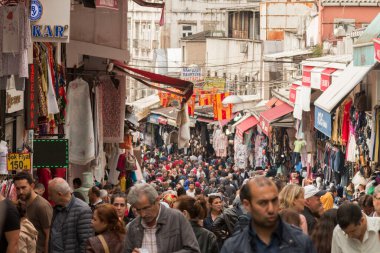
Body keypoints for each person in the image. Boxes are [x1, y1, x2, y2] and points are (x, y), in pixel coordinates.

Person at [221, 176, 316, 253]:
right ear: (247, 205)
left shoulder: (301, 242)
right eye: (263, 203)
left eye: (274, 201)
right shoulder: (233, 247)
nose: (271, 209)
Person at [124, 183, 200, 253]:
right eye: (138, 210)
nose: (143, 214)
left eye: (146, 208)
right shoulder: (132, 227)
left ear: (157, 200)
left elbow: (193, 250)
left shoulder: (177, 218)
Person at [48, 177, 93, 253]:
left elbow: (86, 244)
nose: (49, 198)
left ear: (59, 194)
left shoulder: (82, 210)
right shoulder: (56, 209)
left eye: (51, 195)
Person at [14, 172, 52, 253]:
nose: (20, 191)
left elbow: (49, 235)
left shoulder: (42, 206)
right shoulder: (22, 204)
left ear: (32, 186)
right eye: (17, 188)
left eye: (23, 187)